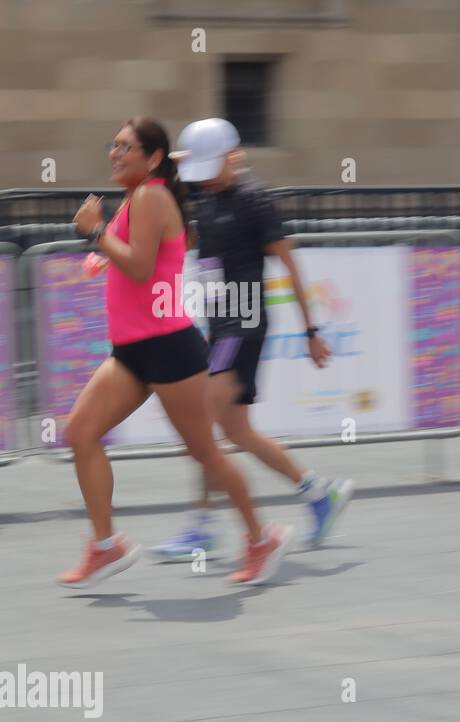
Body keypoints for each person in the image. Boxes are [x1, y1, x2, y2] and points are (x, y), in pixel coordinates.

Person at [59, 117, 291, 588]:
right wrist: (105, 253)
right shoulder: (142, 196)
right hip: (130, 351)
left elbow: (143, 268)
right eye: (114, 145)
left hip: (168, 349)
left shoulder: (149, 195)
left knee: (205, 452)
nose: (115, 153)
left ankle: (260, 537)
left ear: (152, 157)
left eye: (126, 147)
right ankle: (106, 546)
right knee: (81, 434)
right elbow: (162, 249)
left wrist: (95, 233)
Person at [148, 118, 352, 561]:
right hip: (219, 325)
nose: (201, 176)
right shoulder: (203, 189)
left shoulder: (256, 200)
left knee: (200, 422)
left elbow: (290, 266)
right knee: (238, 432)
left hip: (244, 324)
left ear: (231, 156)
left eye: (210, 164)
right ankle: (320, 493)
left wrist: (311, 329)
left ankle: (204, 526)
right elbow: (171, 170)